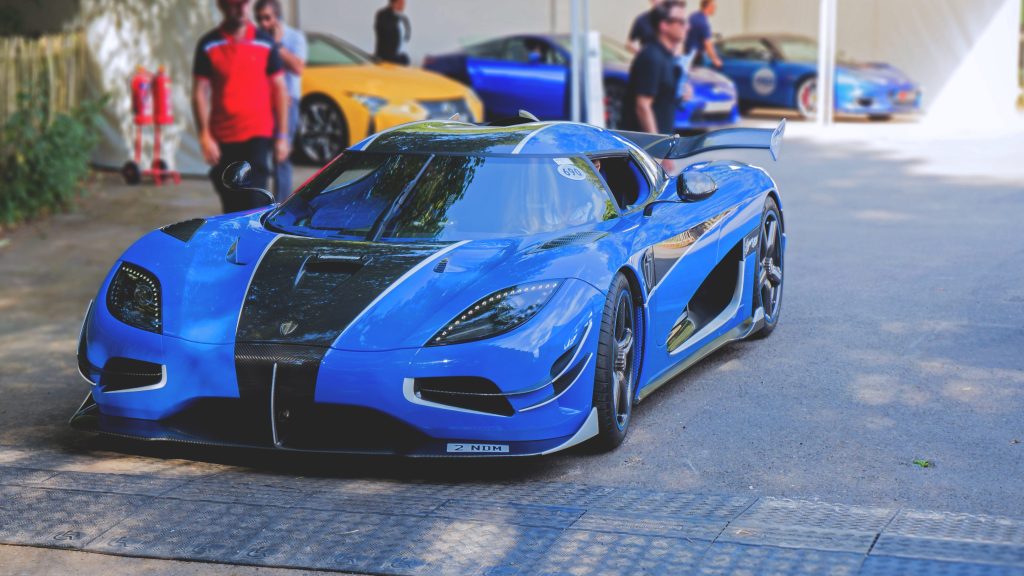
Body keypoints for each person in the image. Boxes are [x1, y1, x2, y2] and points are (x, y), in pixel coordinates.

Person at [192, 0, 290, 214]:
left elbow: (280, 89)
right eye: (235, 4)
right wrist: (205, 135)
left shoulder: (265, 42)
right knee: (231, 205)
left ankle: (254, 235)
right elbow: (200, 91)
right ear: (222, 6)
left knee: (255, 203)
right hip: (224, 137)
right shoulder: (209, 44)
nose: (242, 9)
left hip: (257, 134)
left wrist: (282, 136)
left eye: (245, 4)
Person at [255, 0, 307, 202]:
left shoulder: (294, 37)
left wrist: (277, 45)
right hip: (264, 102)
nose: (264, 23)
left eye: (267, 18)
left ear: (277, 17)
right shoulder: (258, 38)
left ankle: (281, 204)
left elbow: (298, 68)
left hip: (288, 103)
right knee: (260, 155)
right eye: (260, 19)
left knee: (281, 155)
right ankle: (260, 205)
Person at [622, 1, 689, 134]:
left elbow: (663, 95)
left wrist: (682, 93)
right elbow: (643, 106)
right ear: (664, 26)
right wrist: (657, 142)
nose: (686, 27)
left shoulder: (667, 56)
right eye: (681, 22)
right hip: (648, 143)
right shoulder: (652, 57)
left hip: (664, 135)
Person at [685, 0, 723, 68]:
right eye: (714, 7)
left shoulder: (692, 16)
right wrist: (715, 59)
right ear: (709, 7)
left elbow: (692, 33)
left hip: (687, 54)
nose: (715, 9)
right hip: (696, 57)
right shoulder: (704, 24)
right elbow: (708, 44)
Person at [374, 0, 411, 65]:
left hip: (398, 56)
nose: (403, 6)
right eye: (401, 3)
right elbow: (385, 29)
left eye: (403, 3)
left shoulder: (403, 17)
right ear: (394, 3)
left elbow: (407, 34)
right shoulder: (383, 14)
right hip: (385, 58)